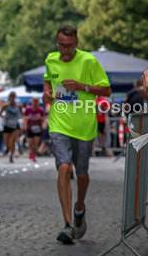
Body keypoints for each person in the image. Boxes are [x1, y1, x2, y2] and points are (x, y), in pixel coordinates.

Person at [43, 24, 111, 244]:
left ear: (77, 43)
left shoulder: (89, 61)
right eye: (61, 45)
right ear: (57, 43)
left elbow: (107, 90)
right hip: (59, 124)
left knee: (82, 174)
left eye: (69, 46)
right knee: (64, 166)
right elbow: (48, 83)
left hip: (84, 126)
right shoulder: (50, 60)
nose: (65, 50)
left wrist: (83, 86)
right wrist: (46, 94)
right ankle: (68, 224)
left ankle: (79, 207)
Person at [2, 92, 22, 162]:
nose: (12, 98)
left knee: (12, 141)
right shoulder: (6, 106)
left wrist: (24, 121)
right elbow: (0, 114)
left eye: (13, 96)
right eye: (11, 96)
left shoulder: (19, 106)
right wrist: (4, 116)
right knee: (7, 143)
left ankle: (11, 155)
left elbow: (22, 114)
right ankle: (8, 149)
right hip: (7, 125)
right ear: (9, 97)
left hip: (15, 125)